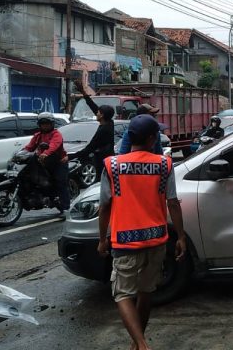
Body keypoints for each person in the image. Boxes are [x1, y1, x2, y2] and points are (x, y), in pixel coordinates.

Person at [97, 114, 186, 350]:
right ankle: (137, 344)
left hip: (125, 242)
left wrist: (101, 240)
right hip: (156, 240)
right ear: (150, 138)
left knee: (123, 294)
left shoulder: (112, 165)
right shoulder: (164, 164)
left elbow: (104, 206)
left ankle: (142, 344)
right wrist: (181, 237)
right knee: (146, 292)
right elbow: (173, 203)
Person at [23, 112, 70, 211]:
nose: (45, 126)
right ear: (39, 125)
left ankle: (66, 208)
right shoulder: (38, 135)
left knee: (60, 183)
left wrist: (46, 153)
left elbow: (54, 145)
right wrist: (21, 153)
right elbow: (29, 147)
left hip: (58, 162)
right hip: (43, 162)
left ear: (52, 124)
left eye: (47, 123)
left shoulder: (56, 134)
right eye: (43, 124)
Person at [69, 84, 115, 181]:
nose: (96, 113)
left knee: (101, 183)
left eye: (98, 113)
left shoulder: (104, 130)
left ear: (102, 115)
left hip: (102, 161)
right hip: (106, 160)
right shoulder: (109, 122)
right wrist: (84, 93)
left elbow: (90, 147)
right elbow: (94, 107)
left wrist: (70, 156)